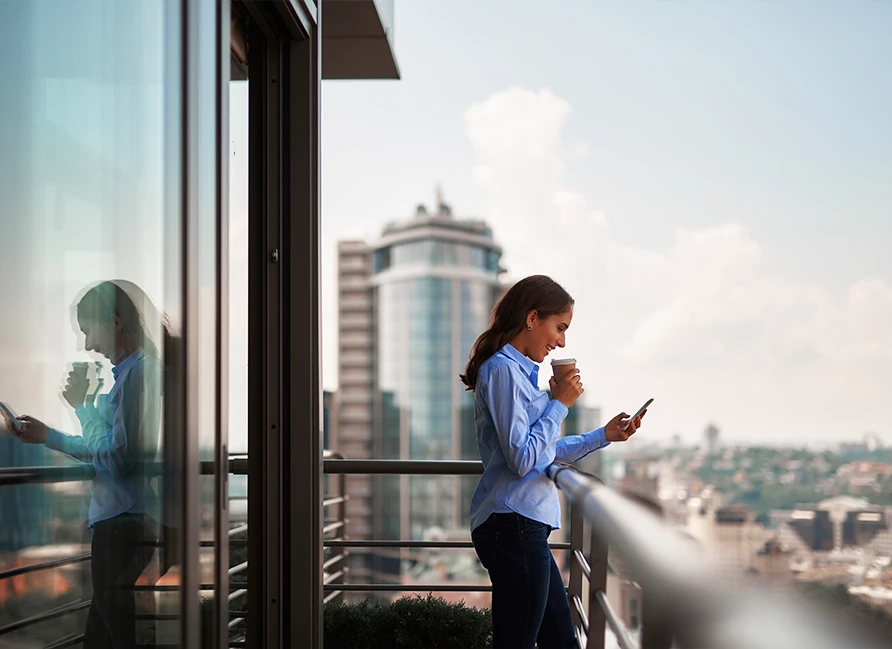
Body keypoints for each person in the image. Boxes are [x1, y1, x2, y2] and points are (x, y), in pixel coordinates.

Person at [460, 275, 645, 649]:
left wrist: (603, 435)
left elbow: (543, 451)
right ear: (532, 319)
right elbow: (522, 459)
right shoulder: (502, 371)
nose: (561, 341)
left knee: (562, 641)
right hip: (513, 525)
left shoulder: (520, 375)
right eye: (559, 328)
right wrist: (560, 402)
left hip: (524, 527)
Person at [1, 280, 171, 649]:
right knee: (102, 635)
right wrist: (48, 434)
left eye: (87, 330)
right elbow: (108, 450)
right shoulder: (132, 374)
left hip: (121, 524)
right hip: (121, 523)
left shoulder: (139, 373)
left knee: (117, 635)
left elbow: (119, 458)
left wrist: (81, 408)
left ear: (114, 323)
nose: (87, 344)